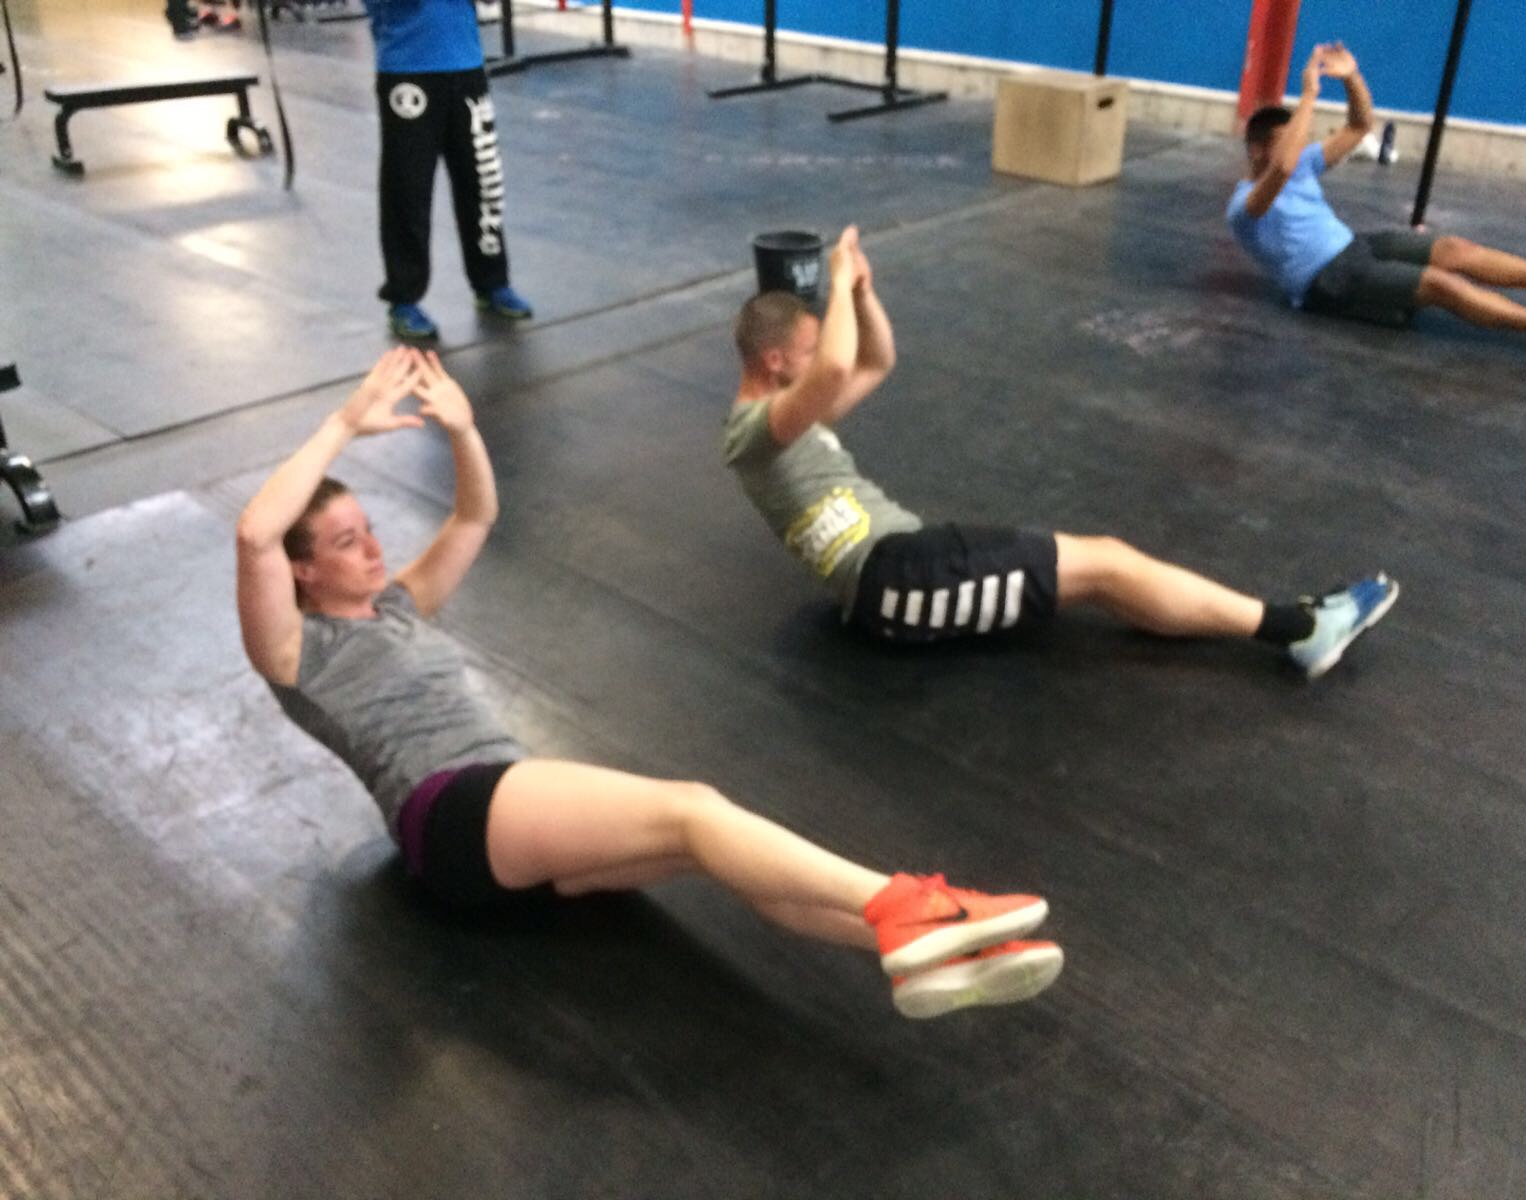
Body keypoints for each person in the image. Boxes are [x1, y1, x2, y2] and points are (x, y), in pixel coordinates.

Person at [234, 348, 1063, 1020]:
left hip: (500, 819)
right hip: (451, 811)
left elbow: (475, 516)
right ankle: (913, 905)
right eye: (345, 542)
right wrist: (345, 423)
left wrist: (462, 429)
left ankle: (943, 951)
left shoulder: (398, 604)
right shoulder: (297, 652)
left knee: (706, 849)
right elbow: (253, 532)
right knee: (693, 809)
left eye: (368, 529)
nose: (373, 549)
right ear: (301, 571)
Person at [725, 228, 1398, 678]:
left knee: (1105, 570)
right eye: (807, 351)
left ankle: (1290, 624)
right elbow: (837, 366)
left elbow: (875, 361)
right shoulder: (755, 431)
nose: (820, 359)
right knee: (1106, 562)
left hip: (905, 569)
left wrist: (862, 294)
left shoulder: (788, 419)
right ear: (775, 360)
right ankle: (1299, 629)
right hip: (896, 578)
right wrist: (837, 276)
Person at [1229, 43, 1526, 355]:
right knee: (1441, 284)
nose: (1298, 147)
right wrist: (1309, 94)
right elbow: (1281, 168)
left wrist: (1352, 78)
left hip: (1355, 246)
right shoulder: (1243, 207)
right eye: (1288, 140)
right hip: (1326, 281)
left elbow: (1359, 126)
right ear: (1258, 150)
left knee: (1456, 250)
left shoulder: (1300, 165)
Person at [364, 0, 534, 342]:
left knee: (481, 179)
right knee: (407, 187)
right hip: (408, 68)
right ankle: (403, 297)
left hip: (466, 63)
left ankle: (491, 282)